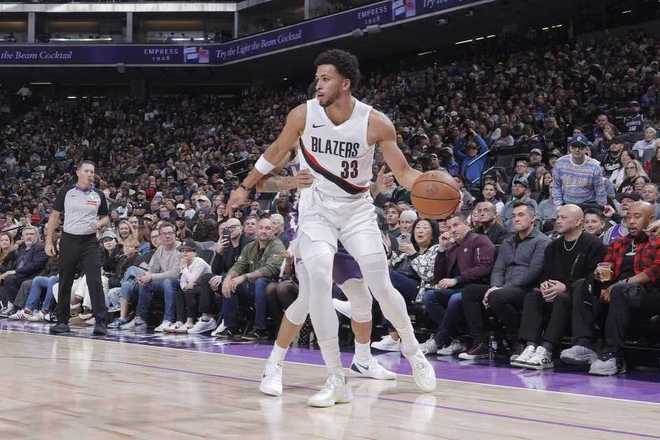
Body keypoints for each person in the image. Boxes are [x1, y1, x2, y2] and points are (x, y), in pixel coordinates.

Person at [226, 49, 435, 407]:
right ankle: (335, 378)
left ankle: (414, 353)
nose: (318, 84)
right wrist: (245, 187)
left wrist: (431, 183)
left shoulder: (376, 122)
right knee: (317, 285)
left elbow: (403, 172)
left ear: (345, 83)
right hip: (316, 213)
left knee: (379, 285)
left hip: (356, 213)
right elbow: (274, 153)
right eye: (317, 78)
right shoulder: (303, 115)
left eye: (325, 78)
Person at [561, 202, 658, 375]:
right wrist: (600, 277)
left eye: (637, 217)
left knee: (621, 290)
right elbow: (608, 268)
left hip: (648, 294)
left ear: (651, 219)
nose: (631, 221)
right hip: (617, 291)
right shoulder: (619, 243)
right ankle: (584, 344)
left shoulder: (656, 242)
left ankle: (613, 355)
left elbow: (654, 271)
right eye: (628, 217)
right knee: (582, 284)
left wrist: (618, 285)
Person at [512, 205, 605, 369]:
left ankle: (547, 349)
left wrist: (565, 287)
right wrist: (545, 284)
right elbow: (545, 273)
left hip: (580, 297)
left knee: (562, 298)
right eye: (557, 217)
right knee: (533, 295)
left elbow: (592, 277)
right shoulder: (553, 246)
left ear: (579, 222)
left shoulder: (594, 244)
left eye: (563, 217)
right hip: (554, 292)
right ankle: (530, 346)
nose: (558, 221)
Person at [459, 202, 550, 359]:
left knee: (497, 296)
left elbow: (533, 272)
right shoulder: (508, 241)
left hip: (526, 288)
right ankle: (481, 342)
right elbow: (498, 269)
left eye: (521, 215)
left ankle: (516, 339)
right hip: (503, 288)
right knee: (470, 292)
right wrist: (495, 286)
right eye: (513, 216)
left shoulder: (542, 241)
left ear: (533, 218)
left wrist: (501, 289)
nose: (516, 219)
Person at [44, 161, 109, 335]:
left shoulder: (99, 195)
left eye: (92, 171)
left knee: (95, 280)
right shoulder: (66, 191)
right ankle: (62, 322)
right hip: (69, 240)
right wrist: (49, 241)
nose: (90, 174)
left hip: (89, 242)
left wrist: (99, 224)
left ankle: (101, 322)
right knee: (65, 281)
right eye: (87, 171)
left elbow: (106, 217)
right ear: (78, 172)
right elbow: (54, 216)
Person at [551, 134, 607, 208]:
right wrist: (558, 205)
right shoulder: (560, 162)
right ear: (570, 148)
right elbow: (556, 186)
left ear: (586, 149)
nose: (577, 150)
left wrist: (602, 207)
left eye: (581, 147)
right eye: (574, 146)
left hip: (588, 204)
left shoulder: (595, 166)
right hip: (567, 203)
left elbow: (599, 190)